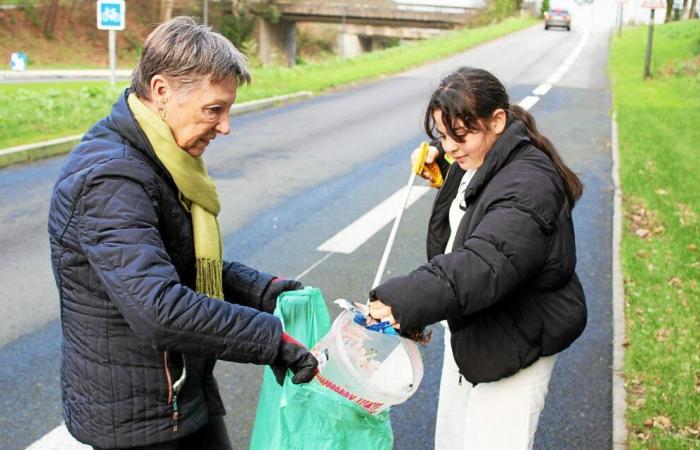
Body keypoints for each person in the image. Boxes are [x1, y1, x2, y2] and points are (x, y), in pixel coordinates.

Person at [47, 17, 317, 450]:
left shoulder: (160, 156)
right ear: (161, 91)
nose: (225, 126)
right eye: (214, 109)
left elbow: (178, 263)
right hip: (137, 420)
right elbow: (159, 308)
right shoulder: (112, 179)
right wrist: (272, 341)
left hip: (178, 393)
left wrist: (263, 291)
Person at [368, 67, 587, 450]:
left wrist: (403, 300)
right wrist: (445, 165)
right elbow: (478, 191)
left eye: (460, 135)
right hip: (477, 328)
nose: (450, 146)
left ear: (497, 121)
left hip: (517, 339)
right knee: (452, 441)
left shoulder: (529, 185)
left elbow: (484, 263)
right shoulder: (484, 158)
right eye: (441, 135)